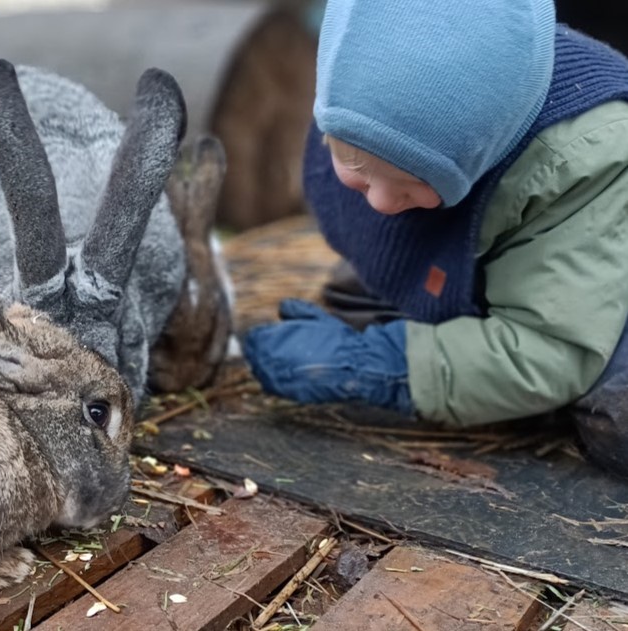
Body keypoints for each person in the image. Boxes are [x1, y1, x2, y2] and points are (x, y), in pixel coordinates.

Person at [242, 0, 628, 478]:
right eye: (358, 172)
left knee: (615, 417)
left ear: (486, 150)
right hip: (510, 247)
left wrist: (375, 366)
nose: (380, 203)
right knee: (360, 298)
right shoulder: (350, 100)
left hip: (596, 258)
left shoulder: (580, 162)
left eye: (413, 183)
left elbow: (550, 348)